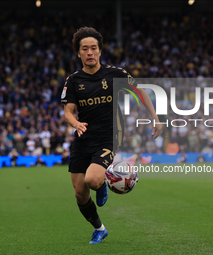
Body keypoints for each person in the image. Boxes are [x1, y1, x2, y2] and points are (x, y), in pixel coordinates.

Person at [61, 27, 162, 244]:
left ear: (100, 51)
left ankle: (102, 183)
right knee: (79, 192)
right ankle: (99, 228)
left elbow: (140, 92)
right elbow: (67, 111)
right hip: (83, 137)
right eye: (85, 49)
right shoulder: (73, 80)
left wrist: (155, 117)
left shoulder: (114, 73)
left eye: (94, 48)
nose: (90, 52)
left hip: (109, 135)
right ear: (78, 53)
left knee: (92, 179)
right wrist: (76, 123)